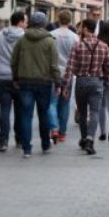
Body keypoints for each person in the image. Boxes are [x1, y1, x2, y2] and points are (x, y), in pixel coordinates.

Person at [10, 11, 59, 157]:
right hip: (44, 82)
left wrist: (16, 77)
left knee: (26, 115)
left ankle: (26, 148)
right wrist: (58, 82)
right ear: (44, 23)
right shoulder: (50, 41)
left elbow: (14, 61)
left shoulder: (22, 40)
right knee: (43, 113)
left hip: (25, 81)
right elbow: (54, 65)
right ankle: (45, 144)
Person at [63, 19, 109, 155]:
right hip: (97, 82)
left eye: (81, 28)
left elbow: (70, 66)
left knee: (82, 112)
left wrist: (65, 85)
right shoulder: (103, 46)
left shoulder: (78, 46)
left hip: (81, 81)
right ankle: (91, 139)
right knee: (95, 112)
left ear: (85, 29)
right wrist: (107, 79)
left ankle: (84, 138)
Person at [0, 11, 26, 152]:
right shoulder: (25, 37)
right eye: (25, 21)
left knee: (4, 110)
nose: (26, 25)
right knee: (20, 111)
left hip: (2, 78)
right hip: (20, 78)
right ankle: (20, 140)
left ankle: (3, 141)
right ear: (20, 22)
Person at [49, 9, 79, 143]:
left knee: (53, 102)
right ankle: (62, 132)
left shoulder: (51, 35)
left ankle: (54, 127)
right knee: (65, 103)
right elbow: (77, 56)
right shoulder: (74, 37)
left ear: (58, 19)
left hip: (54, 72)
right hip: (68, 73)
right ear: (70, 20)